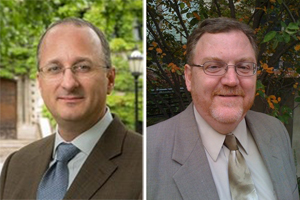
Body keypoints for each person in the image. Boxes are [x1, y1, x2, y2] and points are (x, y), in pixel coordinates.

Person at [147, 17, 299, 200]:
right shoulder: (148, 151)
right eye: (213, 66)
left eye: (243, 67)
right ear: (188, 77)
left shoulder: (275, 131)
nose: (231, 80)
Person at [0, 18, 142, 200]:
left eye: (83, 67)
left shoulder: (146, 163)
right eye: (54, 68)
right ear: (40, 83)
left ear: (110, 79)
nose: (68, 83)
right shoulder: (16, 165)